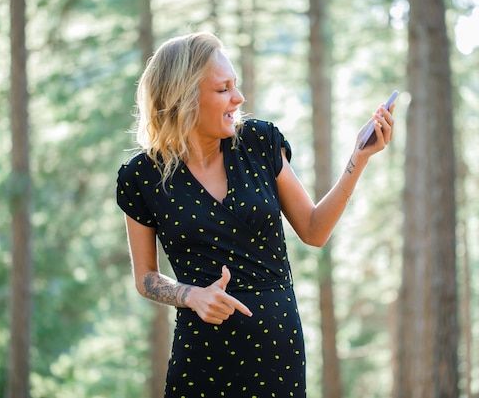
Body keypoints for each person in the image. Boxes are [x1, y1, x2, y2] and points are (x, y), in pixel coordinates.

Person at [115, 31, 395, 398]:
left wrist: (358, 159)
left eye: (237, 85)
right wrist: (190, 295)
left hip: (278, 355)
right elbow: (145, 277)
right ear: (185, 98)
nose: (238, 97)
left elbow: (314, 230)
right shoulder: (142, 176)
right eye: (223, 89)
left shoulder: (259, 143)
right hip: (202, 357)